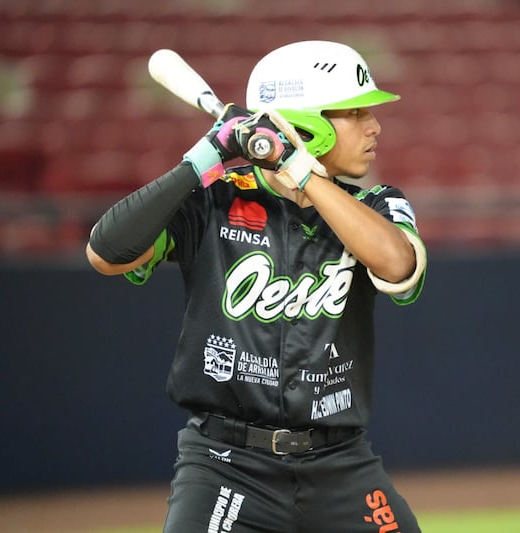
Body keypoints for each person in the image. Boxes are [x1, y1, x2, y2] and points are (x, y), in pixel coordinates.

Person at [86, 40, 427, 533]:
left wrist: (299, 168)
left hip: (341, 465)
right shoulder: (212, 201)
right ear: (308, 125)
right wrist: (204, 157)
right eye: (356, 113)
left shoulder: (377, 203)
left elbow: (397, 265)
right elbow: (105, 253)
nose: (375, 127)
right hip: (226, 464)